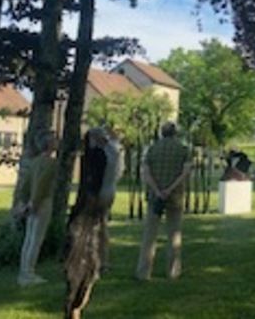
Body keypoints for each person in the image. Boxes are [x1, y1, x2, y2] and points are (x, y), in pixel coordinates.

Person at [65, 127, 123, 319]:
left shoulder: (97, 154)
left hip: (95, 198)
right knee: (100, 230)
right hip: (103, 196)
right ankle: (102, 260)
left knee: (97, 231)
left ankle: (100, 261)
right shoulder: (110, 152)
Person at [136, 122, 191, 280]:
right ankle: (173, 271)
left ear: (161, 133)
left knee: (149, 235)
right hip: (175, 196)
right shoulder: (183, 150)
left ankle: (143, 272)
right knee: (174, 234)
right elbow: (185, 173)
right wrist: (170, 189)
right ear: (175, 133)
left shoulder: (152, 149)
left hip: (155, 196)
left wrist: (157, 190)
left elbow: (146, 173)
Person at [17, 130, 58, 286]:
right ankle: (29, 273)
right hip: (43, 202)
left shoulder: (35, 162)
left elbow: (26, 185)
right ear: (49, 145)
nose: (56, 142)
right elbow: (42, 184)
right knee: (36, 239)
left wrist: (24, 202)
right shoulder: (52, 163)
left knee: (29, 238)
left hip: (33, 202)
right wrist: (34, 203)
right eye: (54, 140)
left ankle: (24, 271)